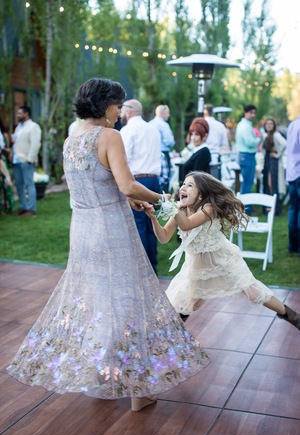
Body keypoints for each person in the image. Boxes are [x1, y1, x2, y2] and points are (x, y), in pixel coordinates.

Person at [6, 78, 209, 413]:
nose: (119, 113)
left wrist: (128, 200)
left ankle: (100, 373)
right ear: (104, 104)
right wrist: (163, 200)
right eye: (117, 105)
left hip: (83, 230)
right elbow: (128, 185)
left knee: (97, 298)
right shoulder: (108, 136)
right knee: (128, 301)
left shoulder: (72, 140)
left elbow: (96, 186)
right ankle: (138, 390)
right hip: (111, 231)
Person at [145, 171, 300, 330]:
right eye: (183, 184)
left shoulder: (208, 208)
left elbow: (187, 225)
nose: (183, 187)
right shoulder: (180, 209)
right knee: (188, 300)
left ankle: (293, 317)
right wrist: (153, 219)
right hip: (196, 264)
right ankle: (171, 334)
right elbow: (163, 237)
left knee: (252, 291)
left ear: (200, 195)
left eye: (190, 185)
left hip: (223, 259)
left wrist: (172, 208)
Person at [120, 99, 162, 274]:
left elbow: (123, 159)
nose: (120, 114)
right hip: (154, 181)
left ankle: (143, 270)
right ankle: (152, 266)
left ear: (129, 111)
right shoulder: (153, 129)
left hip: (137, 181)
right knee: (152, 225)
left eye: (122, 110)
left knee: (139, 227)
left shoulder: (128, 130)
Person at [11, 106, 42, 217]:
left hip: (26, 161)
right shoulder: (18, 127)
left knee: (29, 185)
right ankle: (23, 207)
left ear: (26, 113)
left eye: (19, 113)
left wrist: (30, 159)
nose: (17, 115)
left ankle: (31, 209)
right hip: (16, 160)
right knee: (19, 185)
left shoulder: (33, 126)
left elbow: (35, 144)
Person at [235, 105, 261, 209]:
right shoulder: (245, 126)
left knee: (247, 183)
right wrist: (259, 139)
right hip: (247, 156)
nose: (253, 115)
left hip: (245, 156)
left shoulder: (244, 124)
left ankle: (245, 207)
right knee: (247, 183)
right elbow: (250, 142)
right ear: (245, 113)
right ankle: (246, 208)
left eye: (254, 113)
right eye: (251, 113)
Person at [262, 118, 287, 216]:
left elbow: (284, 144)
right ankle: (269, 207)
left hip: (273, 162)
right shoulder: (267, 135)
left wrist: (278, 154)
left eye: (271, 124)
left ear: (274, 125)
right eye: (267, 124)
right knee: (268, 184)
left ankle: (276, 208)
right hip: (267, 161)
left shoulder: (276, 134)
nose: (269, 125)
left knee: (273, 185)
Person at [286, 115, 300, 256]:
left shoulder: (293, 124)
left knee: (293, 209)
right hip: (298, 172)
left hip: (291, 172)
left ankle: (292, 245)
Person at [149, 104, 175, 175]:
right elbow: (169, 141)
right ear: (162, 113)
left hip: (151, 154)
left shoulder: (149, 124)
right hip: (163, 154)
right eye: (167, 113)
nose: (168, 115)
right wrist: (172, 143)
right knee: (165, 177)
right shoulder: (164, 125)